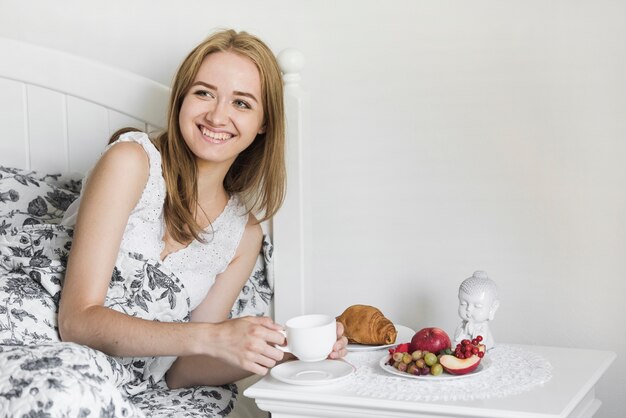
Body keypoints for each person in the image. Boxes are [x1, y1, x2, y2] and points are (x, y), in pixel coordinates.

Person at [57, 28, 348, 390]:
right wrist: (211, 335)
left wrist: (289, 351)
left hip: (116, 387)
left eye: (241, 103)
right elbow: (76, 322)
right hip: (45, 346)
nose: (217, 116)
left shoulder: (242, 235)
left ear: (264, 123)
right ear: (182, 99)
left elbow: (182, 373)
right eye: (204, 93)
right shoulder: (130, 163)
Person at [453, 270, 500, 349]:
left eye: (477, 306)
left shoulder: (483, 327)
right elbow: (456, 339)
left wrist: (473, 332)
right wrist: (462, 333)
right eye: (463, 304)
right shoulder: (462, 325)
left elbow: (481, 342)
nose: (468, 309)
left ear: (492, 308)